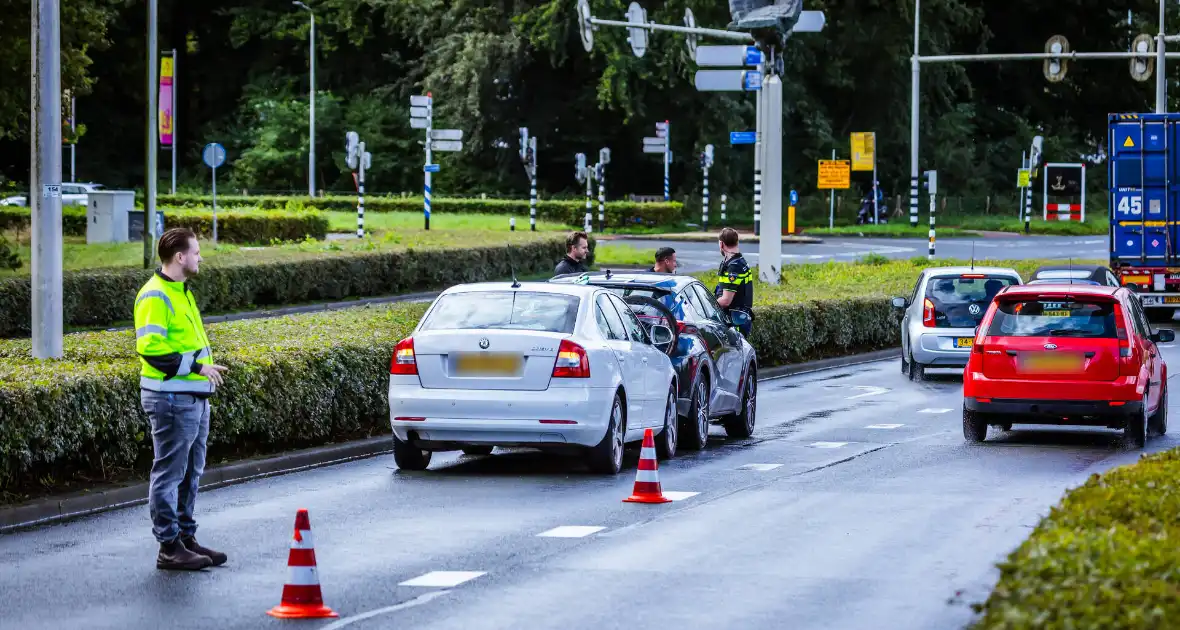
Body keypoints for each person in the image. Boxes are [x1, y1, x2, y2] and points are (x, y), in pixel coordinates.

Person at [135, 227, 229, 571]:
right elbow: (151, 350)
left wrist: (200, 374)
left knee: (191, 472)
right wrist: (197, 367)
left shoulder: (180, 292)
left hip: (192, 397)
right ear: (180, 257)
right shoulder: (155, 295)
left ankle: (186, 538)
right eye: (197, 252)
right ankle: (169, 546)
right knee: (170, 474)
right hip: (171, 399)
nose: (200, 257)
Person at [714, 227, 754, 335]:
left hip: (735, 322)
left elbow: (726, 300)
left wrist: (706, 307)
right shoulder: (739, 261)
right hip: (739, 318)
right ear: (737, 242)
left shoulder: (734, 267)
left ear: (721, 244)